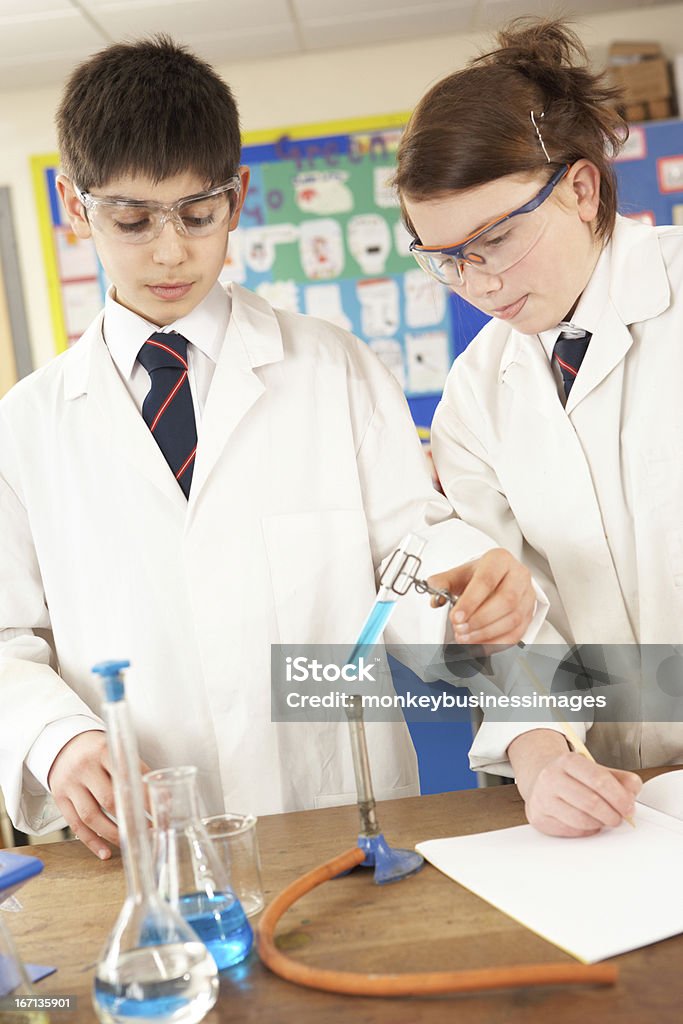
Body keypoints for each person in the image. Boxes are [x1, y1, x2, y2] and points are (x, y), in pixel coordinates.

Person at [0, 36, 543, 859]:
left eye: (197, 212)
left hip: (335, 814)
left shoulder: (333, 368)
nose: (171, 249)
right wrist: (58, 740)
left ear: (238, 195)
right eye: (131, 219)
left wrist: (460, 610)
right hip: (137, 840)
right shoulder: (28, 425)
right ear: (77, 208)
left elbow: (408, 554)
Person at [394, 17, 683, 838]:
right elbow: (514, 615)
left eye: (495, 239)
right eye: (443, 256)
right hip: (622, 802)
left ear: (581, 189)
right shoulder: (476, 395)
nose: (474, 282)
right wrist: (543, 753)